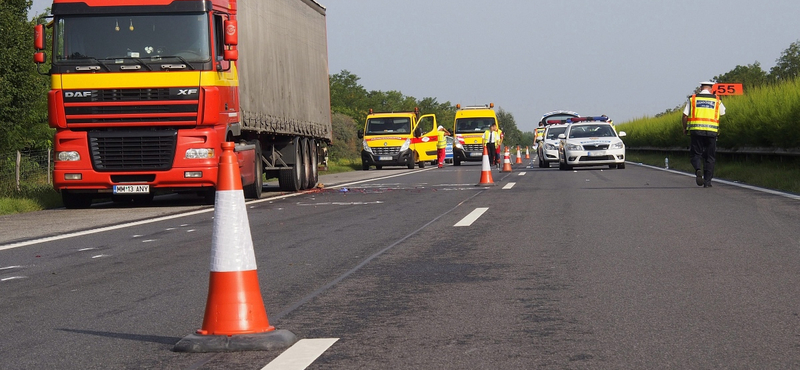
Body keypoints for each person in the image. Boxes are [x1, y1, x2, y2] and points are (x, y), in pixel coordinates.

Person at [682, 81, 725, 188]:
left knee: (695, 154)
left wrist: (685, 128)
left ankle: (698, 169)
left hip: (696, 131)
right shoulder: (717, 99)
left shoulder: (693, 99)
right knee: (710, 157)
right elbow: (722, 113)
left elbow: (684, 115)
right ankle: (707, 182)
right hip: (712, 132)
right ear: (711, 89)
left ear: (701, 88)